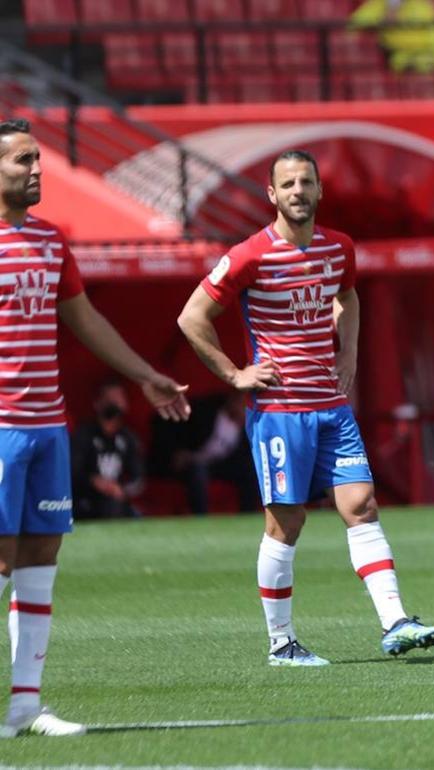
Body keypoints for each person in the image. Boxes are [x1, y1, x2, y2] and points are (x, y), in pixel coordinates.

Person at [177, 149, 434, 667]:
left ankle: (396, 623)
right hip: (279, 411)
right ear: (272, 195)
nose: (298, 191)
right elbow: (192, 318)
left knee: (362, 506)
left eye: (307, 182)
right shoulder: (249, 255)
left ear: (319, 191)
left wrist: (348, 351)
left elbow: (348, 296)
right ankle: (281, 644)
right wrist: (235, 375)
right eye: (288, 184)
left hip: (331, 407)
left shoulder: (339, 248)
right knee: (286, 522)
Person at [0, 118, 191, 739]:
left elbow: (87, 321)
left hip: (48, 426)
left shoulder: (53, 242)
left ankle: (25, 706)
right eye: (22, 160)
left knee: (40, 559)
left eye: (37, 159)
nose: (36, 170)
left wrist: (144, 375)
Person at [163, 391, 260, 515]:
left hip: (221, 463)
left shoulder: (246, 426)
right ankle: (200, 516)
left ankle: (248, 514)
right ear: (232, 400)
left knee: (248, 470)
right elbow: (175, 432)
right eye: (241, 403)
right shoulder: (205, 412)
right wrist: (177, 453)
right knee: (198, 470)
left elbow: (244, 455)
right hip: (194, 460)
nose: (244, 408)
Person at [70, 381, 146, 520]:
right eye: (109, 398)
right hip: (86, 502)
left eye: (118, 398)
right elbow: (72, 472)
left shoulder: (128, 438)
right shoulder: (84, 435)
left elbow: (139, 478)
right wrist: (94, 481)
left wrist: (120, 490)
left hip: (118, 502)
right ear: (97, 403)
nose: (114, 403)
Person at [348, 0, 434, 74]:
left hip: (426, 57)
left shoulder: (423, 5)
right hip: (397, 58)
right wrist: (385, 16)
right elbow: (352, 26)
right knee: (406, 63)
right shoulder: (380, 4)